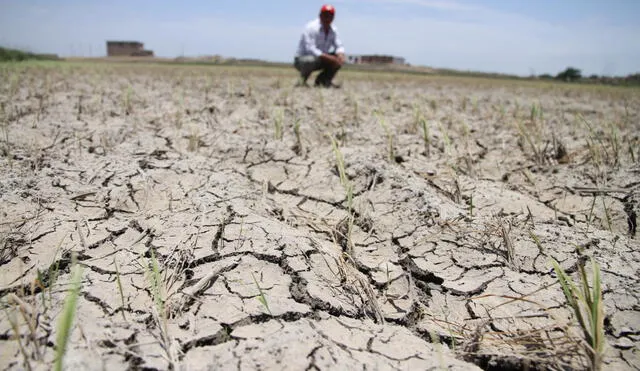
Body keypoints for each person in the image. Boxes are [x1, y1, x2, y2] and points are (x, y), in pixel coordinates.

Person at [294, 4, 345, 88]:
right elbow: (310, 49)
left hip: (321, 59)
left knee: (339, 60)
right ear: (320, 15)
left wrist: (340, 54)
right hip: (303, 59)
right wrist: (330, 58)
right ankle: (302, 81)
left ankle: (323, 82)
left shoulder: (333, 30)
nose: (327, 18)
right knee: (310, 60)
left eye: (330, 16)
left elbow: (339, 45)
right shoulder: (311, 27)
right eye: (325, 15)